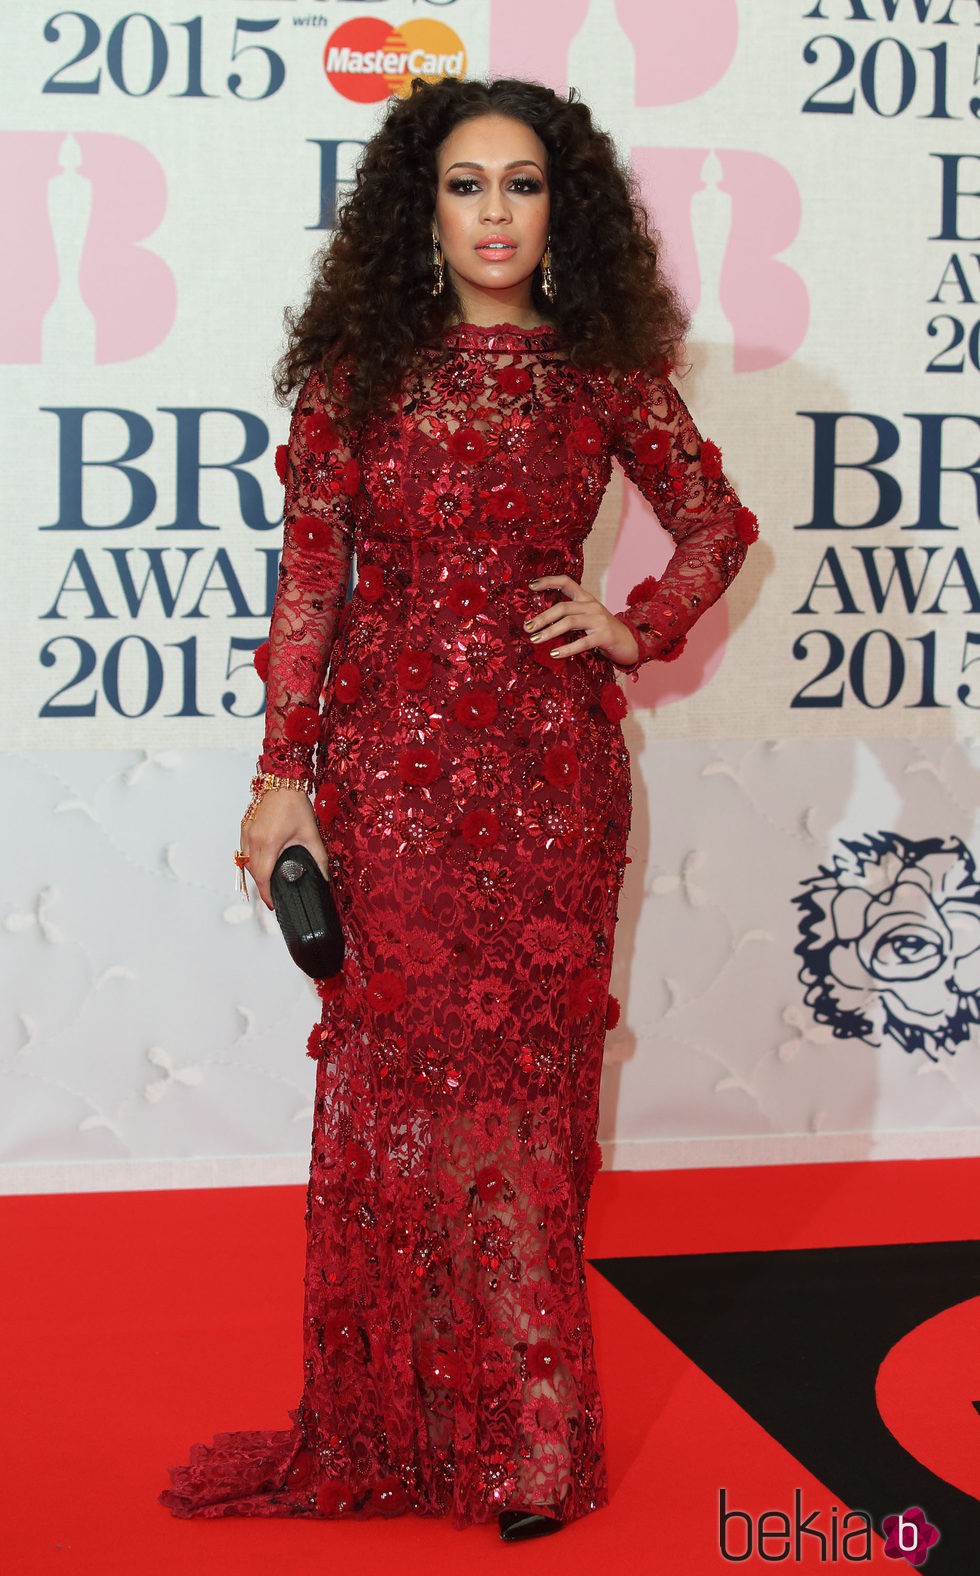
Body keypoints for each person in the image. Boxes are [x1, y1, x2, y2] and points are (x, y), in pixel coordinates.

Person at [159, 74, 757, 1544]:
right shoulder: (361, 371)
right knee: (406, 1097)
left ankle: (540, 1436)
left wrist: (637, 622)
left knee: (527, 1100)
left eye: (526, 184)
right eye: (468, 185)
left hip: (550, 780)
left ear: (567, 212)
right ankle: (401, 1422)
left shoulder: (602, 368)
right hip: (388, 780)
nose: (497, 211)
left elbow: (717, 522)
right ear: (422, 212)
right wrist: (280, 781)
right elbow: (309, 591)